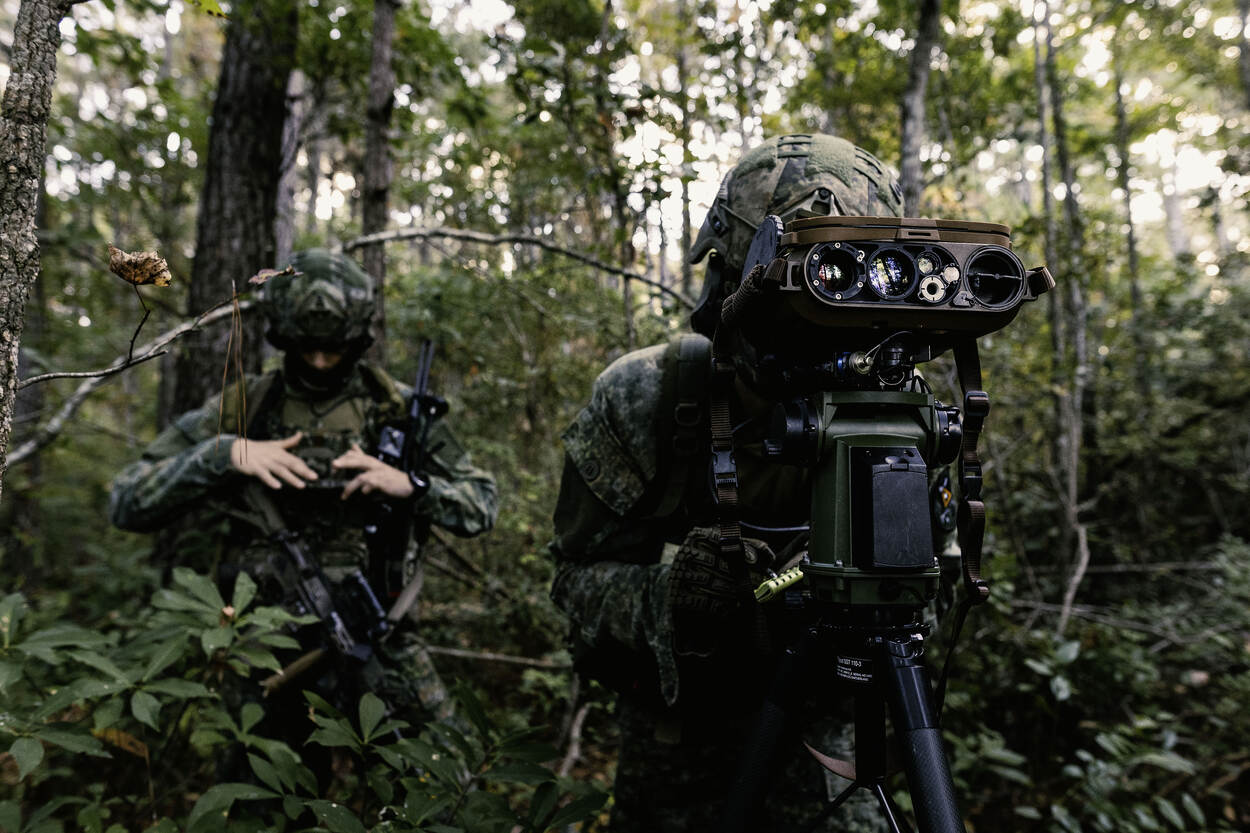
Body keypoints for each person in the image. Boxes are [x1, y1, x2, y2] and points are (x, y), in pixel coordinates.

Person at [548, 133, 908, 832]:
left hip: (827, 744)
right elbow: (573, 587)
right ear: (726, 282)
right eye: (787, 303)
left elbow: (933, 598)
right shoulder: (646, 396)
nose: (812, 337)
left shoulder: (899, 414)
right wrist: (669, 592)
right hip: (680, 747)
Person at [111, 248, 498, 734]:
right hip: (266, 646)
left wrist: (412, 485)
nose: (318, 362)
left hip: (378, 635)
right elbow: (127, 500)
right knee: (268, 798)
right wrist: (225, 454)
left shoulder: (397, 413)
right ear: (283, 338)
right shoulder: (246, 405)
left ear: (357, 340)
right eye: (304, 348)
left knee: (441, 780)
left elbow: (481, 503)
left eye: (332, 350)